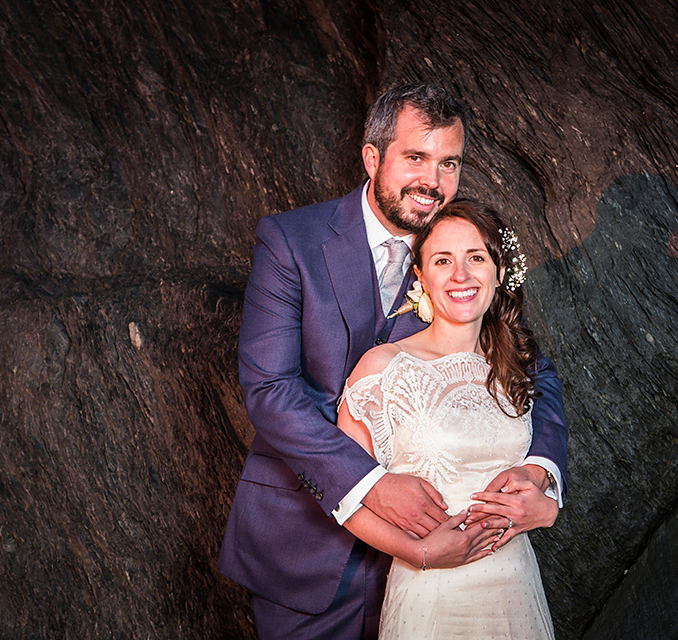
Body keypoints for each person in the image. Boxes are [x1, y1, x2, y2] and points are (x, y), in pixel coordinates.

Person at [218, 83, 568, 639]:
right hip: (306, 545)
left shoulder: (457, 254)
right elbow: (269, 391)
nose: (432, 181)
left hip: (443, 561)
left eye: (448, 163)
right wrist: (373, 483)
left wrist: (541, 475)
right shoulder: (292, 241)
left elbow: (533, 370)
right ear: (372, 157)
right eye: (415, 158)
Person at [337, 199, 556, 638]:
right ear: (420, 277)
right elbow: (346, 497)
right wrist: (419, 552)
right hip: (431, 593)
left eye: (476, 257)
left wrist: (545, 498)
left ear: (498, 272)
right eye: (443, 260)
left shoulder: (517, 367)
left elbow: (541, 465)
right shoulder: (385, 366)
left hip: (515, 586)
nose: (461, 274)